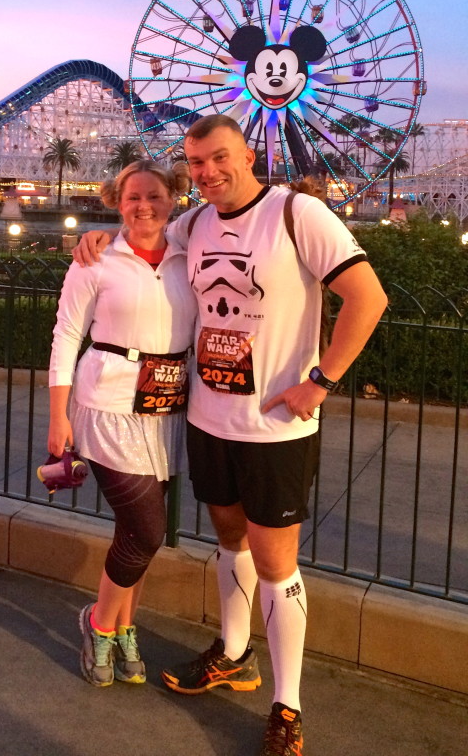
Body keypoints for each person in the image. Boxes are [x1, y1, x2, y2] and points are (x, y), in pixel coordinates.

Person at [74, 116, 388, 755]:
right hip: (207, 418)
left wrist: (321, 381)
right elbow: (146, 231)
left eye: (219, 158)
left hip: (273, 427)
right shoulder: (194, 224)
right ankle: (234, 653)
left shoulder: (297, 215)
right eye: (195, 163)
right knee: (230, 541)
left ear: (248, 155)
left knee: (277, 565)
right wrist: (100, 234)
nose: (208, 172)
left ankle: (288, 705)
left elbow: (368, 296)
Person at [47, 159, 196, 688]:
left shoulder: (188, 253)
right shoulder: (96, 260)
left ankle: (127, 624)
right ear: (116, 200)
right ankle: (100, 622)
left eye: (154, 195)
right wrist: (57, 416)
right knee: (149, 530)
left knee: (134, 530)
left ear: (173, 198)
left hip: (165, 407)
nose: (144, 206)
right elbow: (67, 336)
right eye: (132, 197)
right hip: (107, 403)